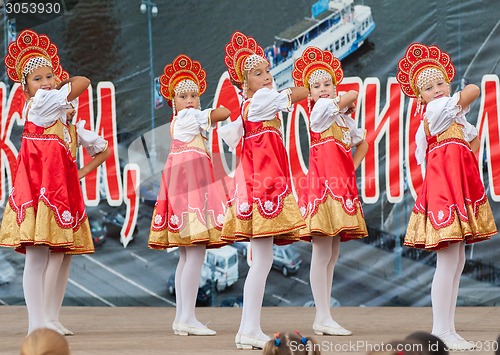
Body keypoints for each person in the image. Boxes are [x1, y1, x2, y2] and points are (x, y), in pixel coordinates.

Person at [0, 29, 109, 335]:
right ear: (25, 89)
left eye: (49, 76)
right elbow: (83, 82)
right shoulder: (41, 104)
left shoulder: (63, 121)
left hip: (60, 194)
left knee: (61, 256)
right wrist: (61, 87)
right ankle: (37, 324)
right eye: (38, 79)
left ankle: (51, 317)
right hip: (38, 194)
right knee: (37, 257)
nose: (46, 83)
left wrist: (79, 173)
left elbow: (101, 150)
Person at [396, 43, 497, 351]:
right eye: (428, 87)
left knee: (456, 260)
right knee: (449, 260)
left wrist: (465, 147)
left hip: (452, 185)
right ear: (420, 97)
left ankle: (448, 328)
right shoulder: (437, 110)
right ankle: (440, 331)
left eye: (440, 82)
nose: (437, 89)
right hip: (444, 190)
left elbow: (473, 139)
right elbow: (473, 91)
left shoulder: (451, 118)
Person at [219, 31, 309, 350]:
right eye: (258, 74)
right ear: (246, 83)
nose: (267, 78)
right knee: (262, 262)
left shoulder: (250, 106)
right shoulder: (259, 101)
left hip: (259, 186)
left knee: (262, 260)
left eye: (268, 72)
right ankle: (249, 327)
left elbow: (235, 141)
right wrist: (313, 85)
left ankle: (248, 329)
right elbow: (293, 94)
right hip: (265, 189)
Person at [148, 54, 230, 336]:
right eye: (183, 95)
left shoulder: (180, 122)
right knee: (194, 254)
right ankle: (187, 317)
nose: (191, 100)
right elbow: (222, 114)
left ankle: (182, 317)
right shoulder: (187, 117)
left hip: (184, 185)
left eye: (194, 94)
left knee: (187, 255)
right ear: (174, 102)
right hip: (191, 187)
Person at [291, 46, 368, 337]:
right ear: (309, 94)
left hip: (339, 186)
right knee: (323, 251)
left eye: (327, 84)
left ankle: (325, 315)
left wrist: (350, 168)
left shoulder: (340, 120)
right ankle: (322, 315)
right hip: (323, 189)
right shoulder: (321, 111)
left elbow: (363, 143)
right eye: (316, 86)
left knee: (332, 252)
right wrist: (341, 100)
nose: (323, 89)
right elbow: (351, 96)